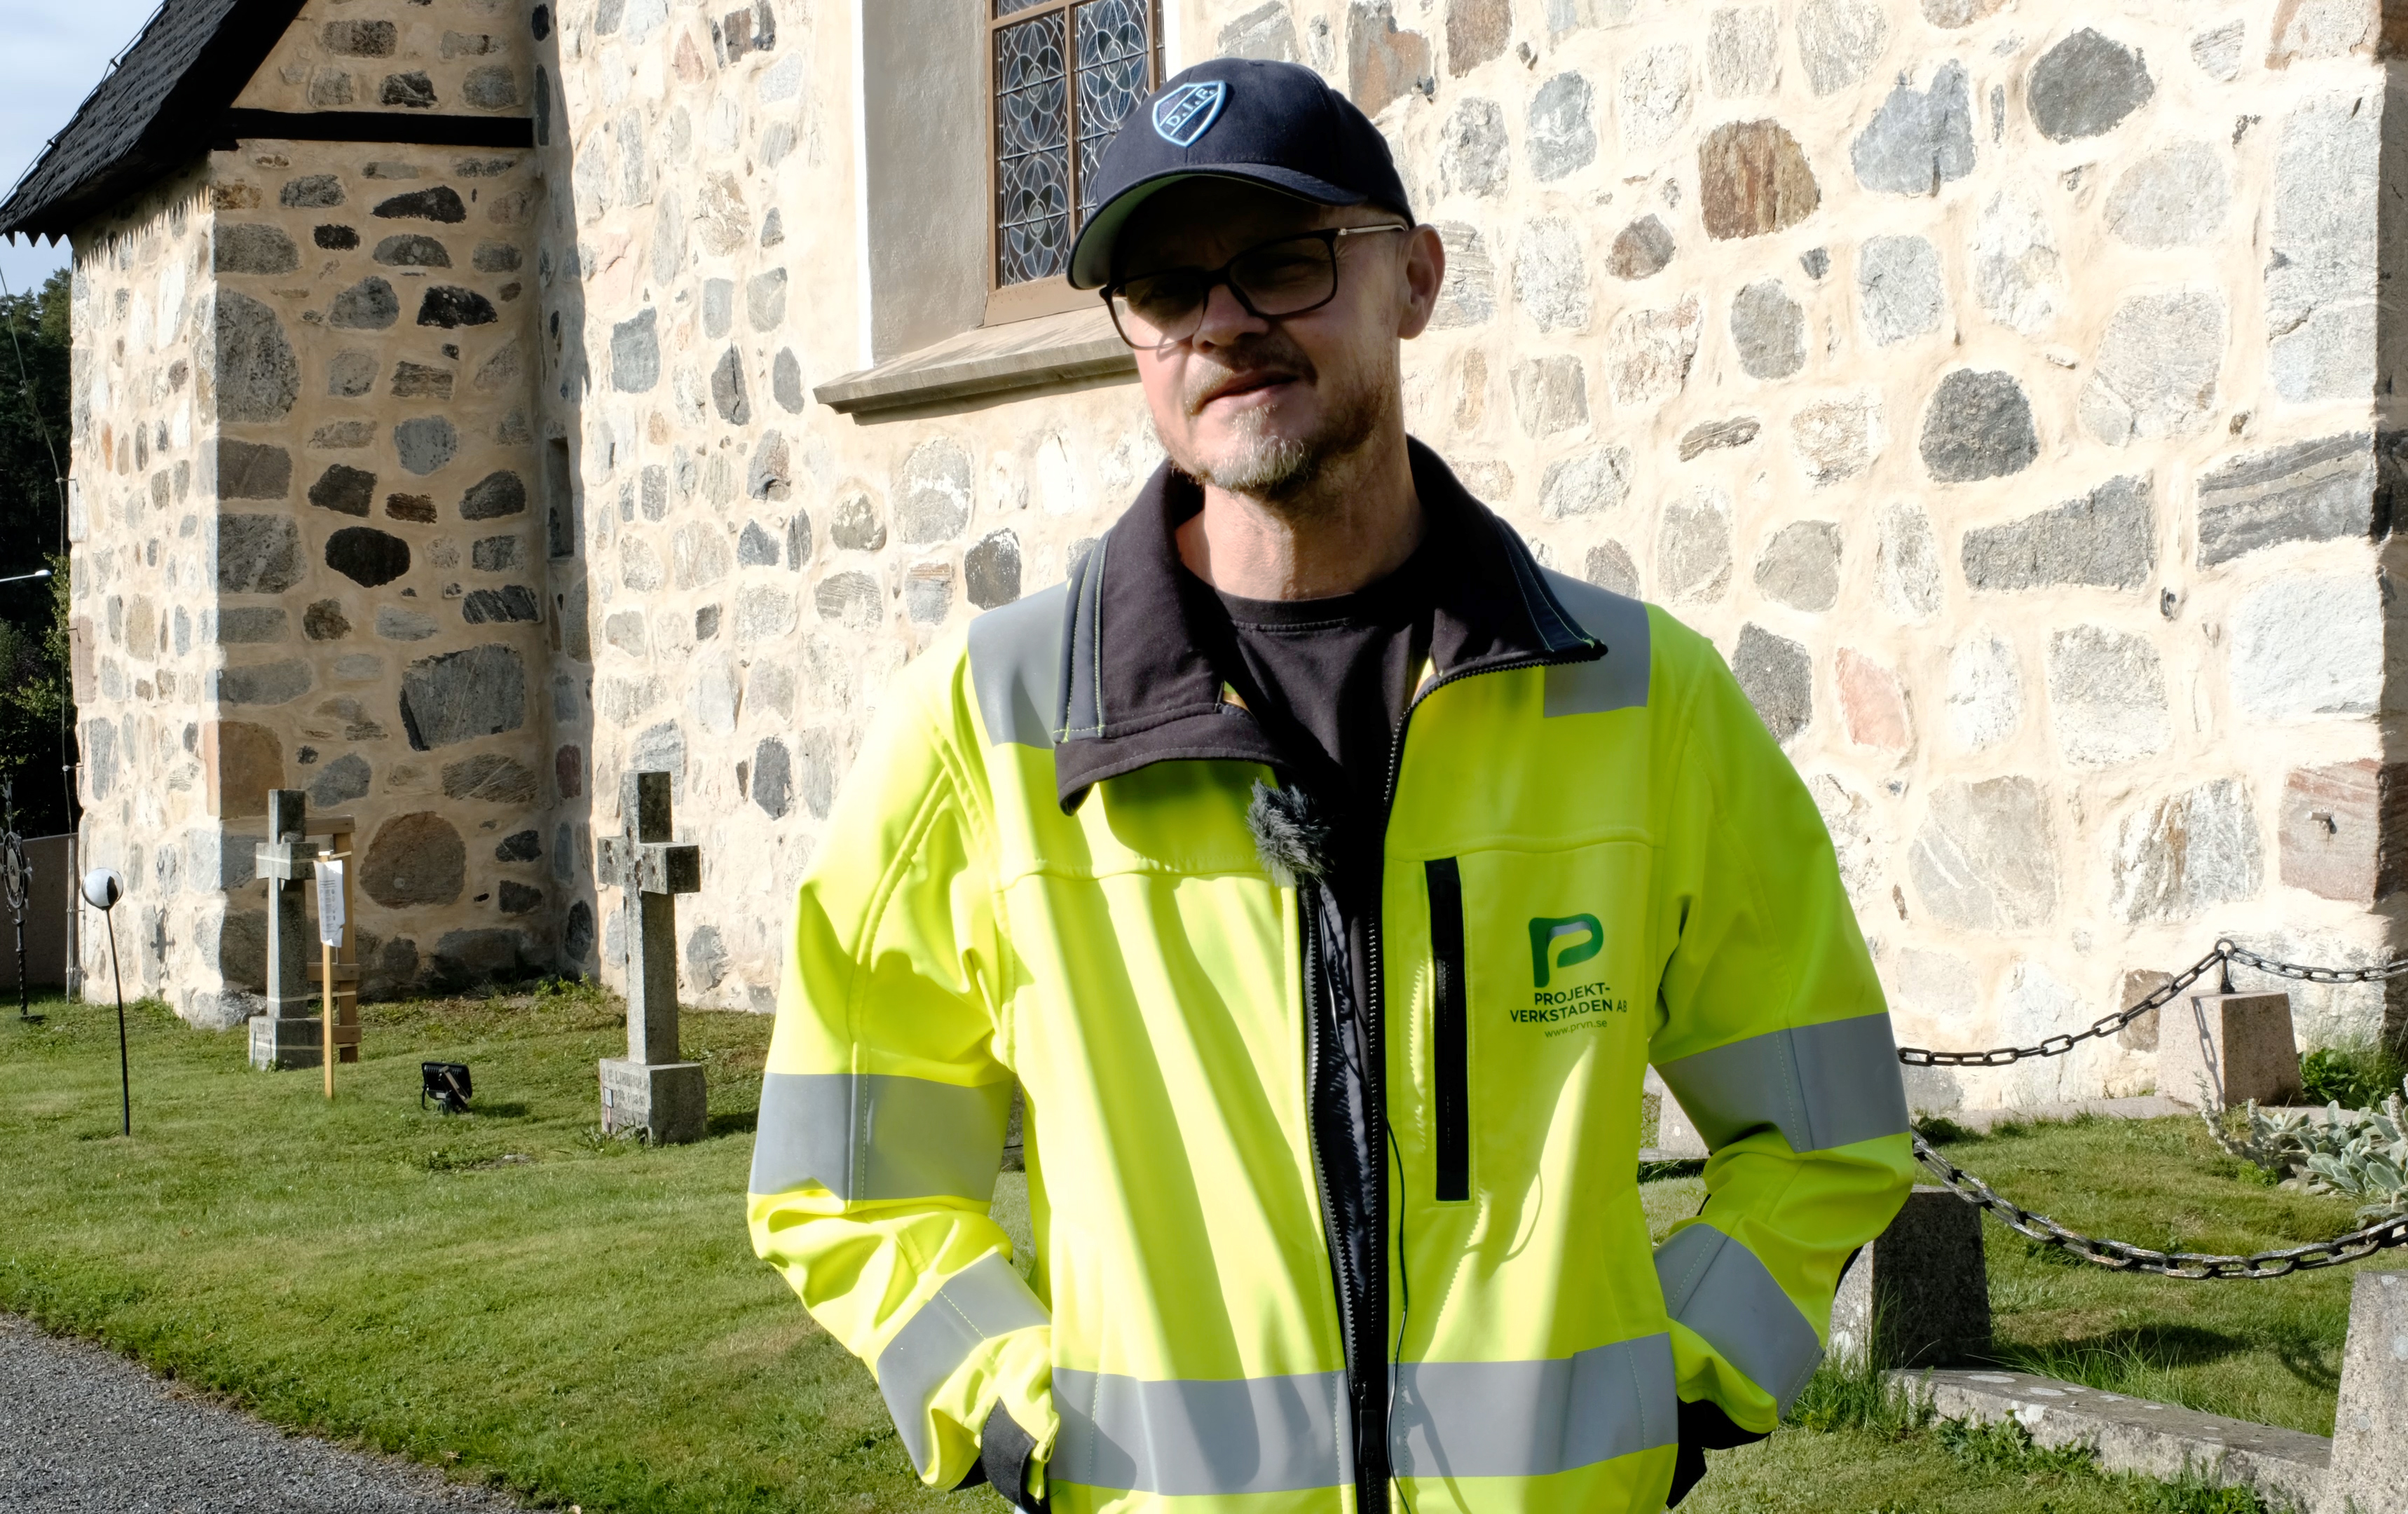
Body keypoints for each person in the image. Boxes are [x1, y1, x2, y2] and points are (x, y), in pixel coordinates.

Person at [747, 55, 1914, 1514]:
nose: (1223, 321)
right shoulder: (987, 728)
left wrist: (1672, 1390)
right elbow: (844, 1183)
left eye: (1285, 260)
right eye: (1167, 290)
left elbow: (1823, 1129)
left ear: (1414, 279)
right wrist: (1016, 1413)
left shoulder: (1643, 699)